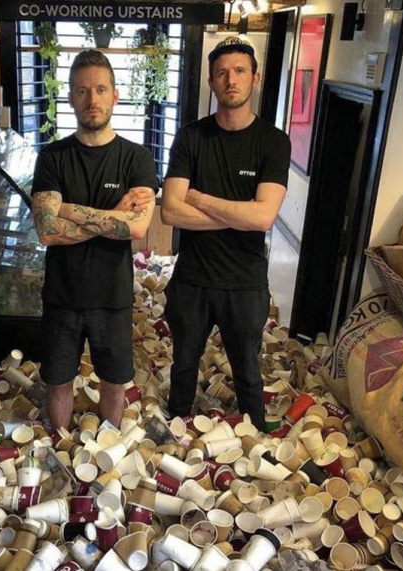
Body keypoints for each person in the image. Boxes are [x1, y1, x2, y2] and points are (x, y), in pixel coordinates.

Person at [161, 37, 291, 432]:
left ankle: (255, 440)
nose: (230, 80)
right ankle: (174, 436)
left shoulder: (272, 142)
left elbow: (264, 217)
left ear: (255, 77)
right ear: (211, 82)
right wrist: (240, 215)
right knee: (183, 365)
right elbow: (169, 210)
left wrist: (199, 199)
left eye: (239, 71)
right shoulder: (190, 137)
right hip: (193, 279)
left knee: (248, 370)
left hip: (245, 281)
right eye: (221, 73)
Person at [31, 50, 158, 430]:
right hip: (62, 295)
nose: (92, 100)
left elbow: (136, 229)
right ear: (70, 97)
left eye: (100, 89)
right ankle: (61, 443)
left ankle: (109, 453)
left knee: (114, 383)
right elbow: (46, 230)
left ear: (115, 95)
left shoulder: (136, 158)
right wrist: (113, 215)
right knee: (57, 381)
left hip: (112, 296)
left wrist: (67, 209)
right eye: (82, 91)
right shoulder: (52, 157)